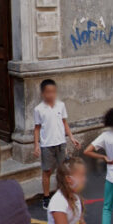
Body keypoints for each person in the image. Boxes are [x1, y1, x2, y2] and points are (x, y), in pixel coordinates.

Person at [34, 79, 81, 209]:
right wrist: (36, 145)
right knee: (47, 171)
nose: (51, 94)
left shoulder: (61, 105)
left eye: (53, 92)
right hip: (47, 145)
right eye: (48, 92)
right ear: (43, 93)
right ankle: (46, 197)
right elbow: (37, 128)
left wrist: (71, 137)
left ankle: (62, 194)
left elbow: (64, 123)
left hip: (61, 143)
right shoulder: (38, 109)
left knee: (62, 170)